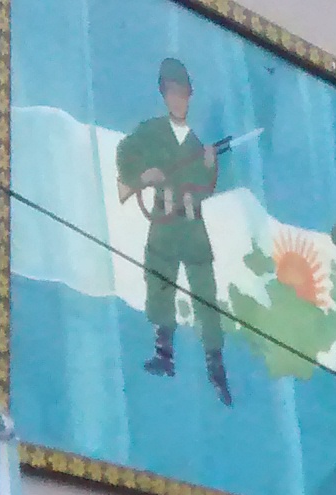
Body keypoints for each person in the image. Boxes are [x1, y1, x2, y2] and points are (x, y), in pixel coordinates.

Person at [115, 57, 231, 405]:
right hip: (164, 222)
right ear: (164, 95)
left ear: (190, 96)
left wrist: (210, 166)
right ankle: (163, 354)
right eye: (171, 92)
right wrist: (142, 176)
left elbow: (204, 188)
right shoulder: (152, 131)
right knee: (159, 285)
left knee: (205, 296)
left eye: (182, 92)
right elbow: (125, 152)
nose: (177, 99)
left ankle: (215, 365)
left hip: (192, 225)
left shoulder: (196, 143)